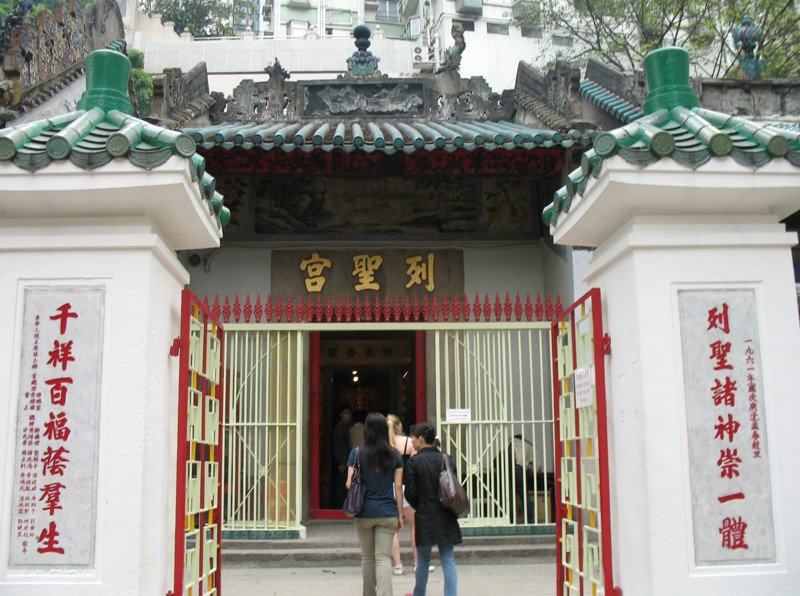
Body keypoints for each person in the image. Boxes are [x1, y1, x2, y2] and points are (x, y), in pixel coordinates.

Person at [347, 412, 405, 596]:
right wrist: (400, 515)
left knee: (368, 557)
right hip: (388, 512)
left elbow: (349, 484)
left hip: (364, 512)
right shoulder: (395, 454)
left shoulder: (356, 453)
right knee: (382, 558)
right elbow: (397, 487)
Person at [403, 422, 462, 596]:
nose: (411, 441)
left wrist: (420, 505)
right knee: (448, 559)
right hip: (446, 514)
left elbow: (411, 492)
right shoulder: (447, 459)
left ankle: (419, 593)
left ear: (421, 440)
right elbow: (454, 486)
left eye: (413, 438)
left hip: (425, 515)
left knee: (423, 559)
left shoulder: (414, 462)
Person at [387, 414, 434, 576]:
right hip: (406, 487)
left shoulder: (384, 446)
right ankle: (417, 562)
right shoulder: (408, 442)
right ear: (399, 426)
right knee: (415, 527)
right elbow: (416, 465)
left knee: (392, 529)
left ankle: (398, 565)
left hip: (387, 489)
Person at [333, 404, 353, 507]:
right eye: (346, 413)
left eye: (349, 413)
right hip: (343, 462)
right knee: (341, 486)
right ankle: (340, 506)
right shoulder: (339, 429)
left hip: (346, 461)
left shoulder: (345, 427)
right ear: (341, 415)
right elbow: (338, 446)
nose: (348, 415)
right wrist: (340, 462)